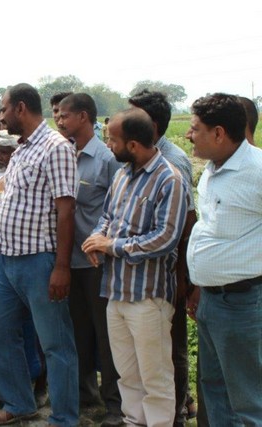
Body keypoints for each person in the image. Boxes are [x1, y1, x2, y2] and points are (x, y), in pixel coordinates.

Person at [0, 83, 80, 426]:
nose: (0, 116)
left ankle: (63, 418)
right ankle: (19, 403)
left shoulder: (56, 148)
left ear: (19, 108)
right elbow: (17, 203)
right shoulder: (21, 151)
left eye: (3, 109)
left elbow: (66, 210)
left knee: (55, 345)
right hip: (5, 261)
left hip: (40, 262)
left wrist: (61, 267)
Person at [82, 108, 188, 427]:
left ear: (132, 145)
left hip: (148, 297)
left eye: (112, 139)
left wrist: (111, 245)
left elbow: (166, 238)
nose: (107, 144)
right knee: (127, 374)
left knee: (154, 377)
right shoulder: (122, 174)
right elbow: (107, 216)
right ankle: (134, 422)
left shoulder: (169, 178)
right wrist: (96, 236)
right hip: (116, 291)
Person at [185, 93, 262, 426]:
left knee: (248, 399)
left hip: (242, 304)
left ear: (218, 133)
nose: (189, 134)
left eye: (195, 128)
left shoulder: (256, 171)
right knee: (214, 387)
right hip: (212, 301)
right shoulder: (211, 171)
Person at [128, 89, 197, 425]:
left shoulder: (172, 163)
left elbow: (186, 223)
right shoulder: (136, 161)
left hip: (167, 275)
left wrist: (183, 277)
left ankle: (177, 409)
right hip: (142, 278)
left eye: (133, 117)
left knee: (172, 348)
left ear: (151, 125)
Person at [57, 93, 123, 426]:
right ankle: (85, 395)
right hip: (67, 262)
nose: (59, 121)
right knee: (77, 334)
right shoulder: (62, 154)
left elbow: (116, 210)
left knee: (107, 336)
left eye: (65, 116)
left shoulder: (107, 159)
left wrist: (101, 241)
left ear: (83, 117)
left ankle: (115, 405)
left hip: (98, 266)